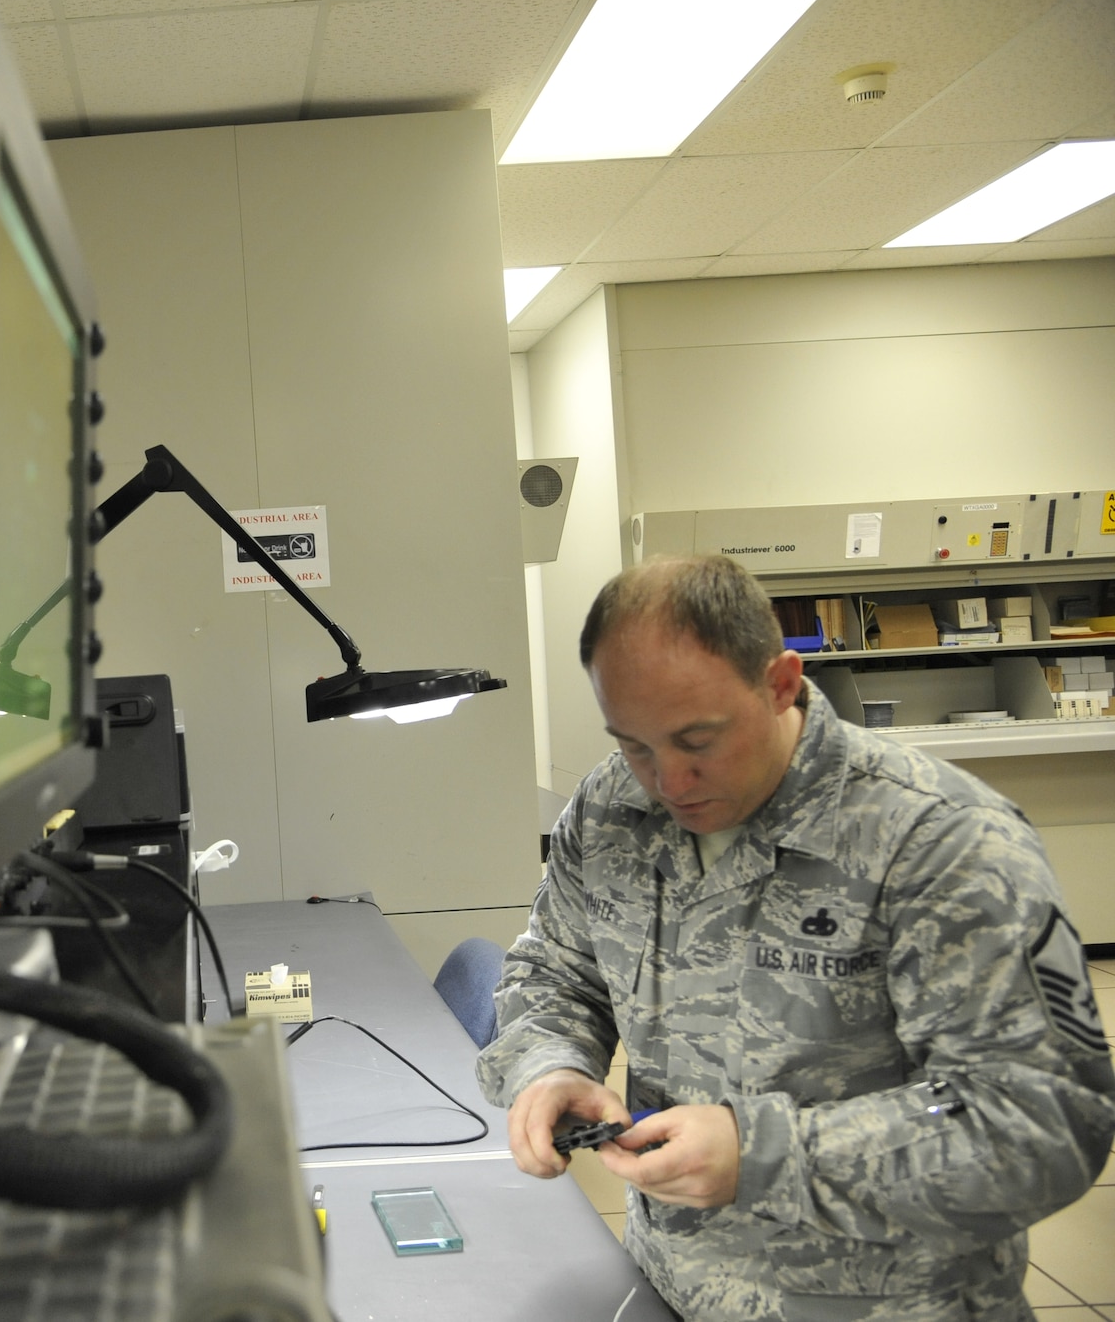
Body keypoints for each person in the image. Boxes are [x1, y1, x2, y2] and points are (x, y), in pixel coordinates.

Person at [476, 555, 1115, 1321]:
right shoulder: (613, 808)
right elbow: (555, 973)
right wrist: (550, 1068)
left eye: (698, 739)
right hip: (667, 1289)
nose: (667, 781)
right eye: (636, 744)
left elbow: (1042, 1126)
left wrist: (766, 1154)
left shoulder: (940, 842)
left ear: (780, 683)